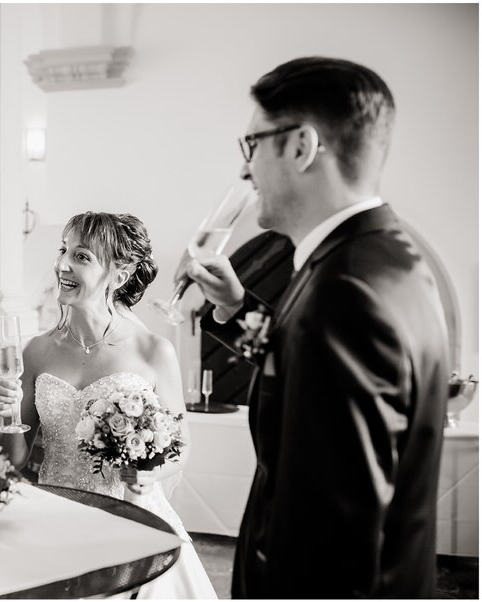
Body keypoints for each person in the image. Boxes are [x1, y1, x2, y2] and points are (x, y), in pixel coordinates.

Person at [190, 57, 450, 598]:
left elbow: (334, 533)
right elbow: (309, 368)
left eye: (252, 145)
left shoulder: (346, 292)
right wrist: (236, 308)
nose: (245, 171)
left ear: (302, 146)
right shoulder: (378, 259)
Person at [0, 212, 216, 599]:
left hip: (133, 523)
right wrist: (8, 416)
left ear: (119, 275)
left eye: (81, 256)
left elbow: (181, 447)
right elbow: (13, 460)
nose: (62, 264)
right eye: (63, 250)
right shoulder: (37, 351)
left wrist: (149, 475)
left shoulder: (153, 350)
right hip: (57, 521)